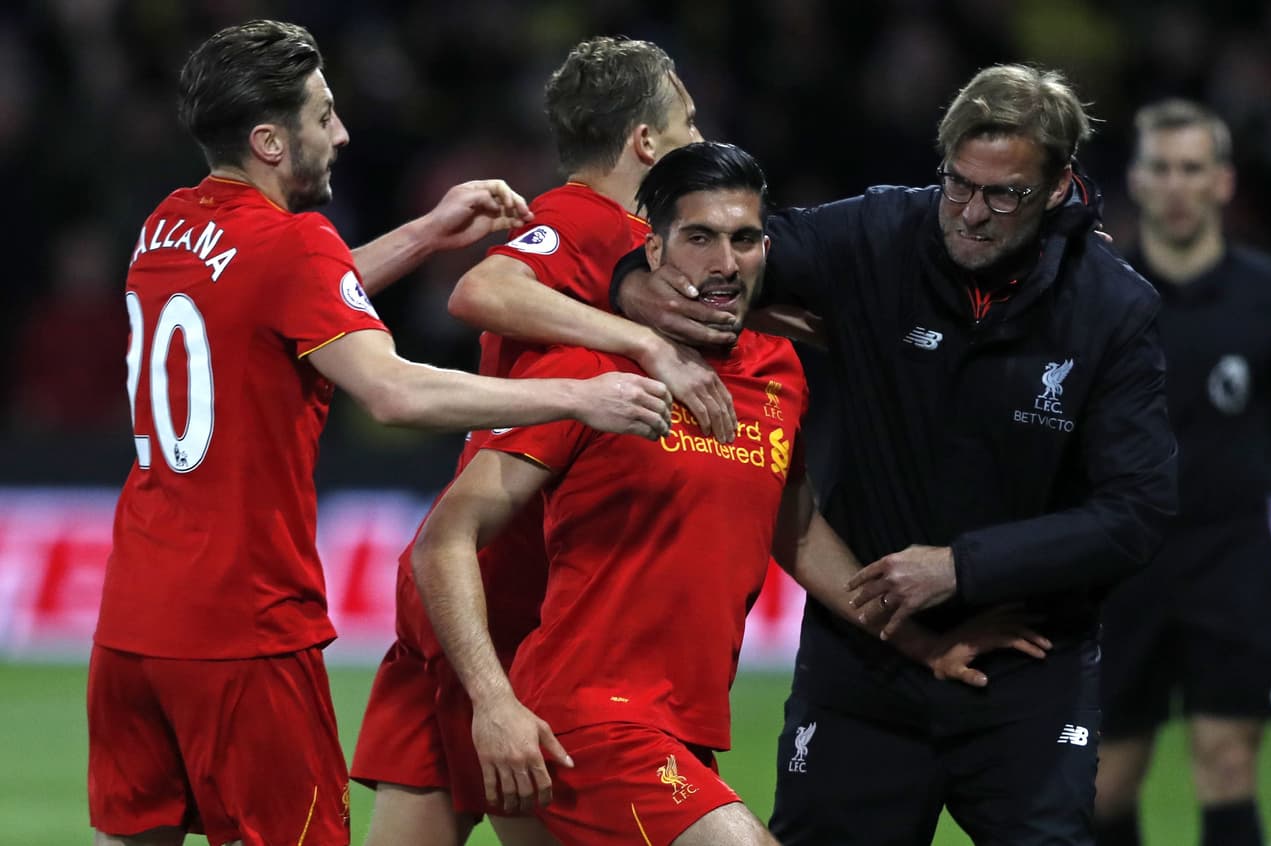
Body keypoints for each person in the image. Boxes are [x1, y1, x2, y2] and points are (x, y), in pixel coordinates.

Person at [86, 20, 674, 846]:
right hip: (244, 627)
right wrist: (578, 396)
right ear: (269, 142)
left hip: (129, 624)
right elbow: (392, 391)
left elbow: (285, 296)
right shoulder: (295, 244)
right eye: (323, 115)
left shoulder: (168, 226)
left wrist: (427, 232)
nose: (341, 134)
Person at [415, 141, 1057, 846]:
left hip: (684, 729)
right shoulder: (593, 368)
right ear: (653, 251)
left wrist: (920, 643)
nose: (725, 262)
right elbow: (445, 538)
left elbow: (797, 531)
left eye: (744, 239)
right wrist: (493, 701)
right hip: (592, 717)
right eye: (699, 238)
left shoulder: (779, 370)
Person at [614, 65, 1179, 846]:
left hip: (1028, 667)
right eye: (959, 184)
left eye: (1003, 195)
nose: (971, 214)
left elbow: (1136, 513)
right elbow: (709, 257)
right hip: (865, 663)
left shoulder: (1113, 308)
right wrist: (635, 291)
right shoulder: (877, 232)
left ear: (1057, 188)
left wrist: (960, 567)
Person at [349, 36, 727, 846]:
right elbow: (480, 288)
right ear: (645, 141)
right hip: (495, 598)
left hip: (509, 598)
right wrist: (646, 344)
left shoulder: (652, 243)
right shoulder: (583, 219)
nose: (701, 139)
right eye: (688, 123)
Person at [1094, 99, 1271, 846]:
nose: (1177, 185)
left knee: (1228, 763)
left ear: (1223, 181)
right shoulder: (1098, 295)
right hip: (1120, 567)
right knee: (1106, 785)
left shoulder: (1268, 298)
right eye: (1162, 168)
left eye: (1192, 168)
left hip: (1230, 561)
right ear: (1137, 179)